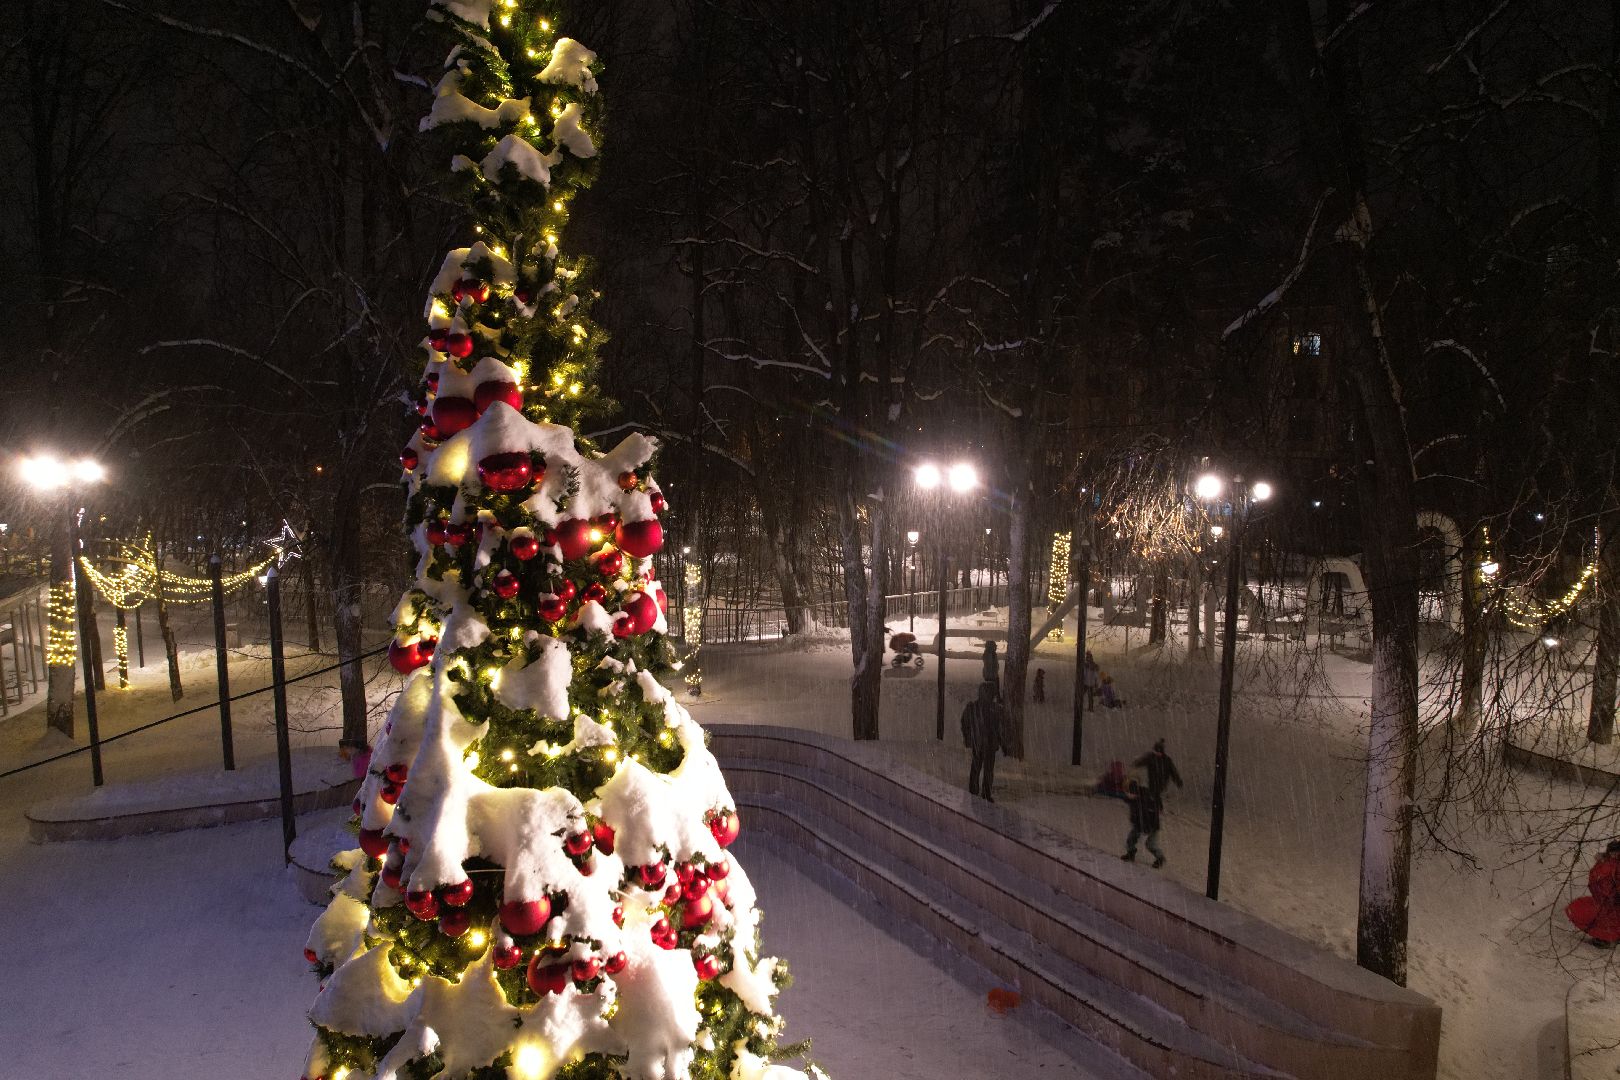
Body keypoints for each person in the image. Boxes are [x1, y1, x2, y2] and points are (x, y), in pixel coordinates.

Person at [960, 680, 1009, 802]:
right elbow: (1000, 729)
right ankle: (982, 792)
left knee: (980, 767)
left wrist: (968, 738)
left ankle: (978, 791)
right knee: (985, 768)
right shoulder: (992, 709)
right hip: (985, 744)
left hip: (983, 743)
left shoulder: (977, 708)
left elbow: (965, 723)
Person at [1567, 841, 1620, 947]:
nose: (1614, 855)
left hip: (1610, 898)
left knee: (1610, 919)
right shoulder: (1604, 863)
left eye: (1616, 853)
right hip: (1606, 898)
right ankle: (1604, 938)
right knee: (1606, 919)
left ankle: (1607, 938)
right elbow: (1594, 879)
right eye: (1613, 852)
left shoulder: (1610, 863)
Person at [1121, 775, 1165, 868]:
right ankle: (1131, 853)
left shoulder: (1144, 800)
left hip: (1151, 824)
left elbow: (1155, 803)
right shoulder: (1134, 797)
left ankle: (1160, 858)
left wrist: (1146, 827)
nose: (1127, 795)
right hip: (1139, 823)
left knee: (1150, 844)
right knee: (1131, 839)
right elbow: (1126, 799)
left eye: (1128, 793)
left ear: (1134, 793)